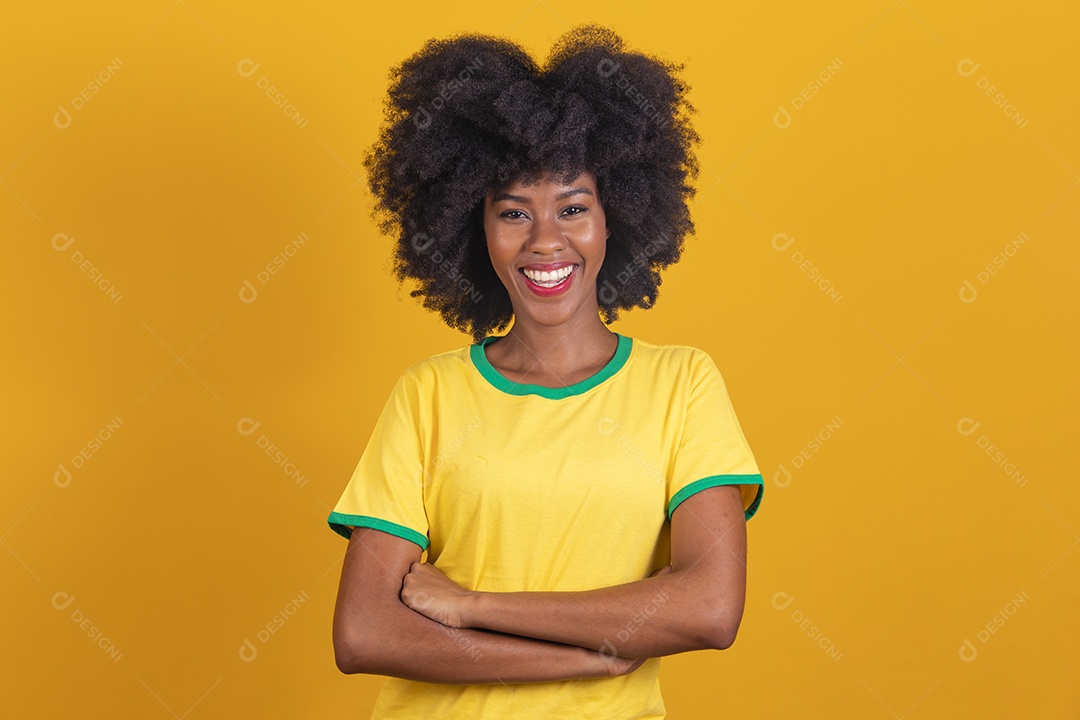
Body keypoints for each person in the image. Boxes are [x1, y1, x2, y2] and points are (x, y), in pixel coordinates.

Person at [327, 23, 764, 719]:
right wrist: (585, 658)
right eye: (513, 213)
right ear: (475, 229)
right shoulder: (428, 394)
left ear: (615, 217)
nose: (545, 241)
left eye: (573, 208)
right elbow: (365, 633)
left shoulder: (682, 384)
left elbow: (709, 608)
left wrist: (472, 606)